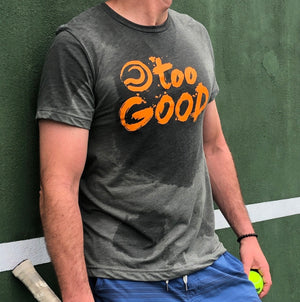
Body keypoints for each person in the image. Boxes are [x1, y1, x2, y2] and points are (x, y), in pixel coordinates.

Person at [36, 0, 272, 301]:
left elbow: (213, 147)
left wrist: (247, 235)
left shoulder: (195, 35)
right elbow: (58, 183)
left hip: (209, 264)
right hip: (127, 277)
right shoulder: (79, 44)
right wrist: (77, 294)